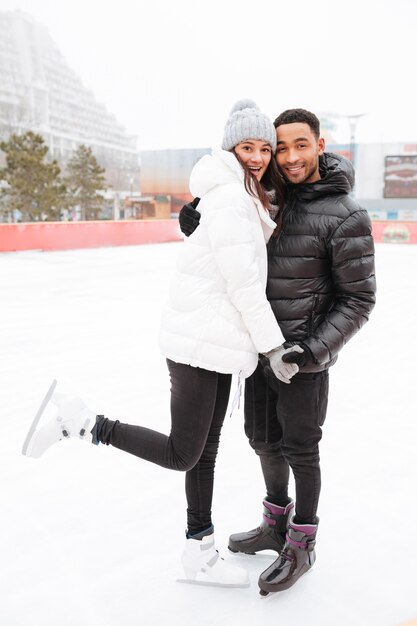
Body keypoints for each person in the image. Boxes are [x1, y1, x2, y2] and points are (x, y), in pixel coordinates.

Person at [22, 100, 302, 589]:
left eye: (263, 148)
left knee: (205, 453)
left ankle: (200, 551)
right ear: (229, 149)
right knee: (184, 454)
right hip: (198, 343)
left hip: (213, 341)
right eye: (246, 147)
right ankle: (84, 424)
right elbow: (244, 287)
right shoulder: (233, 200)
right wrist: (273, 348)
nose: (257, 157)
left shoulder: (238, 193)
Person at [179, 107, 376, 595]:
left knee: (301, 450)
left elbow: (359, 299)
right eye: (280, 147)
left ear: (320, 145)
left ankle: (303, 541)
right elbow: (234, 258)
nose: (287, 157)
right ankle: (275, 523)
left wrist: (310, 351)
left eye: (299, 145)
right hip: (257, 350)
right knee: (263, 440)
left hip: (302, 360)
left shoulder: (346, 214)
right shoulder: (264, 199)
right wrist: (195, 224)